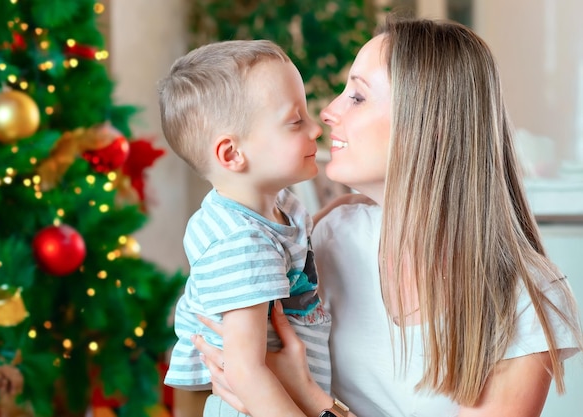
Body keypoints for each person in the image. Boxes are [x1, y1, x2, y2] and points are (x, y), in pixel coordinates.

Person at [191, 16, 583, 417]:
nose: (327, 112)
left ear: (430, 125)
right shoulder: (326, 239)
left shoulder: (524, 300)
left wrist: (310, 397)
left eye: (357, 97)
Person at [157, 39, 332, 417]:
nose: (315, 128)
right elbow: (245, 370)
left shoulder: (278, 206)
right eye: (295, 120)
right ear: (232, 154)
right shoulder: (241, 241)